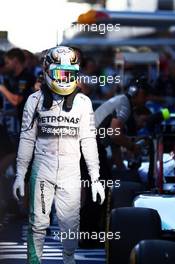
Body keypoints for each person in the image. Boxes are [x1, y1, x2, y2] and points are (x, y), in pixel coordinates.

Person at [12, 46, 105, 264]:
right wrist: (20, 173)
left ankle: (69, 260)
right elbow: (26, 139)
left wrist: (95, 177)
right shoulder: (34, 100)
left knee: (71, 224)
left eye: (69, 74)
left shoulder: (83, 103)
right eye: (59, 74)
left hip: (71, 172)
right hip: (42, 169)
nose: (64, 79)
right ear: (47, 71)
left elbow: (89, 141)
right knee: (38, 224)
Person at [95, 78, 150, 169]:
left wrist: (122, 169)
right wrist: (132, 147)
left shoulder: (123, 102)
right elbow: (115, 135)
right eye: (145, 95)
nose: (147, 99)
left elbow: (114, 143)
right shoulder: (124, 104)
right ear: (134, 92)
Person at [0, 48, 36, 124]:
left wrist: (1, 88)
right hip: (18, 119)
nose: (6, 65)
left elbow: (16, 101)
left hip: (28, 121)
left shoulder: (26, 77)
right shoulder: (13, 77)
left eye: (7, 62)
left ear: (15, 61)